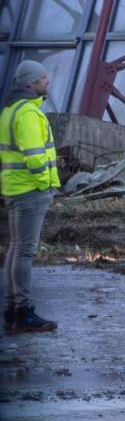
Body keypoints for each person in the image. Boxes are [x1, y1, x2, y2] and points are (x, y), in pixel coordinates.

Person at [2, 59, 60, 334]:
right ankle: (22, 312)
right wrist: (45, 185)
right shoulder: (27, 113)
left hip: (16, 188)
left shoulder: (11, 110)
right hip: (29, 190)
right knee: (24, 251)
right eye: (43, 78)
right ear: (31, 83)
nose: (47, 81)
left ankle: (14, 310)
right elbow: (35, 156)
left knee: (16, 249)